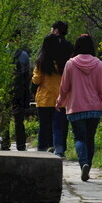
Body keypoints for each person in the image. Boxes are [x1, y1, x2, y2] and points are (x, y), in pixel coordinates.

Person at [56, 34, 102, 182]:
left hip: (76, 108)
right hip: (94, 109)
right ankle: (88, 165)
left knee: (79, 138)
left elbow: (64, 87)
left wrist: (59, 101)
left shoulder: (70, 64)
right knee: (90, 139)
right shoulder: (98, 64)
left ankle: (84, 164)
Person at [31, 26, 72, 155]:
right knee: (59, 126)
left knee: (44, 126)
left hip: (44, 98)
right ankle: (59, 149)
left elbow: (36, 80)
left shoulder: (41, 62)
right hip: (61, 99)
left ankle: (42, 149)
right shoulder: (64, 62)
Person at [1, 33, 30, 151]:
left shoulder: (1, 53)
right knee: (19, 120)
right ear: (18, 40)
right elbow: (27, 75)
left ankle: (5, 143)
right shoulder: (24, 55)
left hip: (5, 90)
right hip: (20, 91)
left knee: (5, 119)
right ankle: (21, 145)